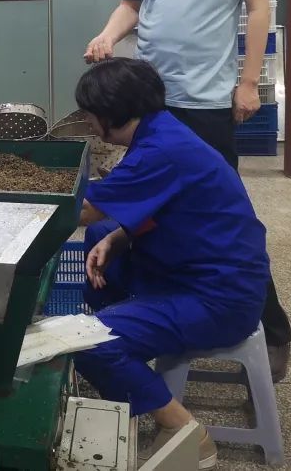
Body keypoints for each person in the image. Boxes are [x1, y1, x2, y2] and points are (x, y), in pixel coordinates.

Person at [83, 0, 291, 380]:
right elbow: (132, 3)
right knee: (153, 208)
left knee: (220, 216)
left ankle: (273, 331)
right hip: (150, 99)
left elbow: (259, 6)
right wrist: (108, 36)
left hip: (205, 100)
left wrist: (249, 82)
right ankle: (153, 310)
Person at [72, 59, 270, 470]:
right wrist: (116, 237)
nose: (87, 122)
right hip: (201, 269)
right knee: (101, 237)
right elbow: (160, 206)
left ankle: (187, 433)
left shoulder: (160, 151)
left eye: (89, 114)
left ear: (111, 112)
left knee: (88, 342)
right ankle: (127, 358)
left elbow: (86, 209)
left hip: (218, 298)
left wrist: (23, 200)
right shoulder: (161, 131)